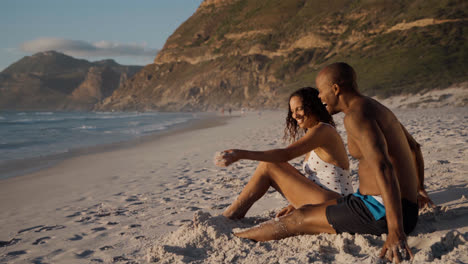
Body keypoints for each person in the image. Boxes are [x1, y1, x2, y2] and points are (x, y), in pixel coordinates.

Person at [233, 63, 435, 263]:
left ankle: (237, 237)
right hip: (392, 206)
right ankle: (243, 233)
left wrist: (395, 231)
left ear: (336, 89)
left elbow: (383, 167)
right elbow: (414, 147)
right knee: (309, 209)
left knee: (298, 218)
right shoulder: (376, 107)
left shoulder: (356, 116)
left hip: (381, 211)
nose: (319, 97)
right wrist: (419, 189)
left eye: (321, 91)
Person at [216, 87, 353, 220]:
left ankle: (232, 214)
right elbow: (318, 179)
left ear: (313, 106)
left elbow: (286, 154)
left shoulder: (323, 130)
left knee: (268, 166)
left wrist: (241, 154)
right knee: (269, 165)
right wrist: (294, 204)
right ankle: (233, 213)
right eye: (292, 111)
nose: (295, 115)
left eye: (299, 108)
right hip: (331, 201)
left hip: (338, 205)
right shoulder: (316, 131)